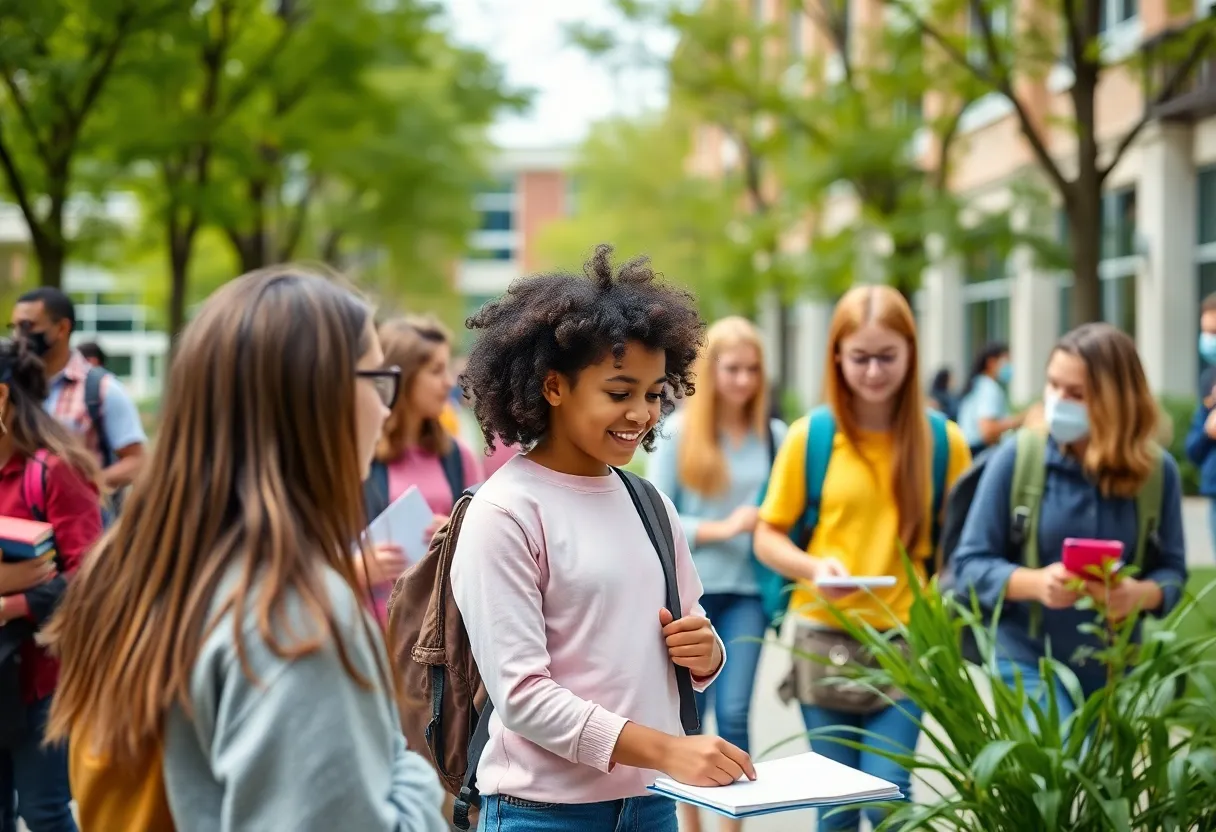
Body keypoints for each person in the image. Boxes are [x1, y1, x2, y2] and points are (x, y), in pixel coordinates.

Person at [42, 267, 448, 831]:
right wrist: (410, 770)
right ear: (317, 395)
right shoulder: (288, 614)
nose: (384, 408)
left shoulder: (128, 569)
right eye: (378, 380)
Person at [451, 245, 754, 832]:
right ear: (554, 387)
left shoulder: (649, 504)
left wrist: (707, 652)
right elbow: (522, 697)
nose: (642, 414)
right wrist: (668, 750)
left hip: (652, 806)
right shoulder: (505, 512)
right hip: (540, 814)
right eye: (619, 392)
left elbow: (692, 632)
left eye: (653, 393)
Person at [752, 286, 971, 832]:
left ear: (911, 355)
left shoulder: (944, 442)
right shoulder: (812, 437)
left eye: (887, 356)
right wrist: (813, 570)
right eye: (860, 357)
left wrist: (942, 591)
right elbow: (768, 535)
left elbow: (965, 547)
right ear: (837, 358)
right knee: (837, 805)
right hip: (824, 641)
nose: (873, 371)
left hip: (907, 644)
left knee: (889, 798)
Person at [953, 323, 1187, 714]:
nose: (1058, 401)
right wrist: (1036, 583)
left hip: (1113, 668)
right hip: (1027, 657)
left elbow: (1173, 571)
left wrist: (1138, 595)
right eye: (1053, 385)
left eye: (1076, 393)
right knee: (1063, 758)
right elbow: (968, 566)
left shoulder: (1157, 473)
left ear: (1117, 402)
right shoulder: (1017, 458)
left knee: (1097, 775)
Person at [646, 316, 782, 832]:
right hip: (689, 597)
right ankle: (692, 825)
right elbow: (660, 514)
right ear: (712, 370)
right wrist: (723, 528)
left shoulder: (775, 436)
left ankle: (732, 822)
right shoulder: (678, 432)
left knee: (739, 708)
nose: (744, 380)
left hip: (749, 591)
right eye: (732, 368)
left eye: (753, 369)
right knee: (690, 718)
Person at [0, 338, 102, 832]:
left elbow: (91, 578)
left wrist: (14, 602)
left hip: (41, 679)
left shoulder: (56, 470)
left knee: (41, 811)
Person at [361, 316, 483, 623]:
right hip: (375, 633)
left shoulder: (458, 457)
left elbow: (487, 544)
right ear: (403, 376)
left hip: (439, 634)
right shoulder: (358, 457)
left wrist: (457, 534)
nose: (448, 382)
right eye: (436, 370)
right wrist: (358, 566)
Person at [10, 289, 146, 494]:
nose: (18, 336)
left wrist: (85, 485)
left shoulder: (102, 390)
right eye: (14, 327)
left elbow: (138, 460)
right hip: (19, 521)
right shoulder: (11, 387)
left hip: (81, 521)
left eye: (27, 326)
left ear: (62, 328)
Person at [957, 342, 1021, 459]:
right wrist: (1018, 421)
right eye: (1006, 361)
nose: (1009, 366)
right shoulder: (989, 388)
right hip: (979, 453)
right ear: (991, 362)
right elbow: (987, 430)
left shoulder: (977, 384)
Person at [1199, 292, 1216, 397]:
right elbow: (1202, 413)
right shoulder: (1208, 379)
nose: (1208, 339)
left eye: (1214, 332)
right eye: (1205, 331)